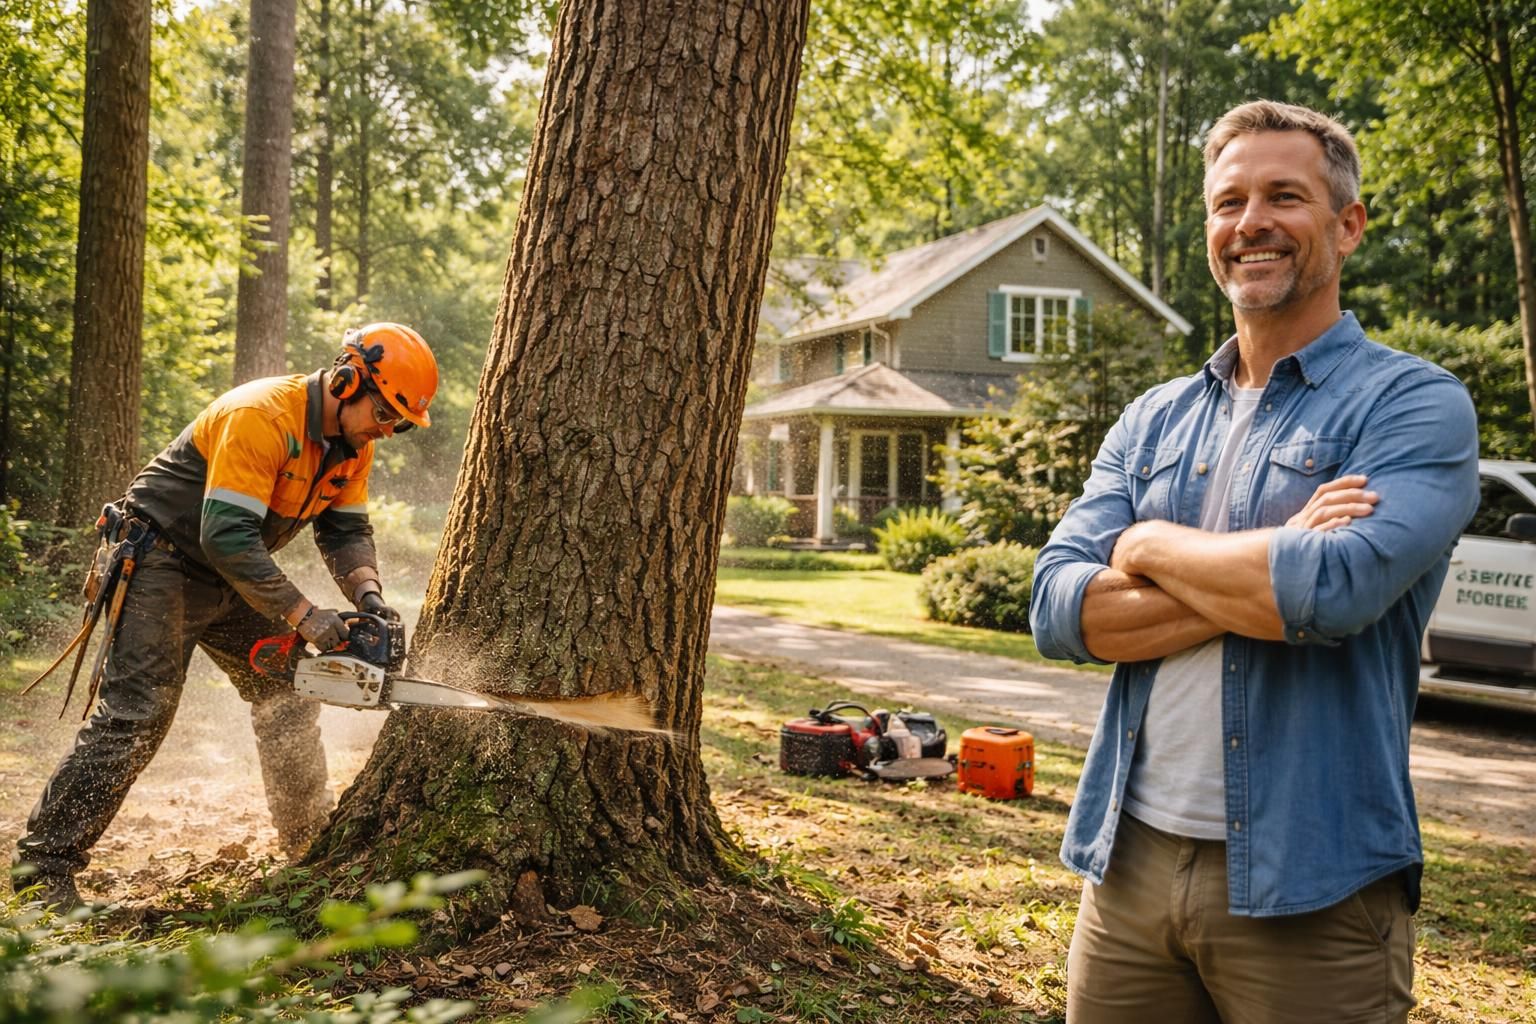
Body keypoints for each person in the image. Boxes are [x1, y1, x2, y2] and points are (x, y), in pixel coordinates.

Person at [1029, 101, 1479, 1022]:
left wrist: (1146, 547)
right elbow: (1058, 610)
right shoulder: (1153, 418)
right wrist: (1268, 568)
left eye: (1285, 196)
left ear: (1346, 224)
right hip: (1130, 870)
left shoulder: (1415, 406)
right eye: (1229, 202)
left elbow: (1335, 590)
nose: (1251, 223)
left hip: (1315, 881)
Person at [13, 323, 439, 912]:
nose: (387, 430)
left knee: (287, 697)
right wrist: (301, 613)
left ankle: (308, 843)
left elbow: (345, 530)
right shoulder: (263, 416)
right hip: (162, 560)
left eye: (399, 423)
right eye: (385, 413)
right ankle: (43, 873)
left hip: (232, 574)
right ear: (346, 381)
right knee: (137, 715)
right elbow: (227, 534)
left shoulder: (352, 448)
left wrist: (369, 598)